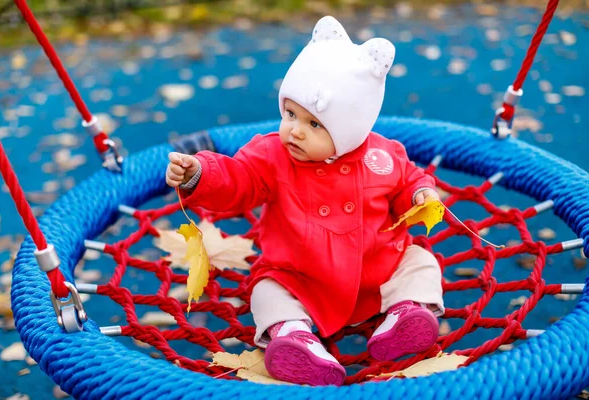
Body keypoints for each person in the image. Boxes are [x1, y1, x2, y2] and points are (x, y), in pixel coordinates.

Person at [166, 16, 444, 386]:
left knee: (421, 261)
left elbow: (409, 179)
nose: (294, 130)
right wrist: (200, 174)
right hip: (299, 275)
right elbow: (238, 182)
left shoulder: (382, 156)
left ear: (351, 131)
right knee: (265, 290)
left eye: (314, 124)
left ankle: (405, 314)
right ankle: (295, 336)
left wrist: (419, 195)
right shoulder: (271, 155)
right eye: (291, 113)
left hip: (378, 270)